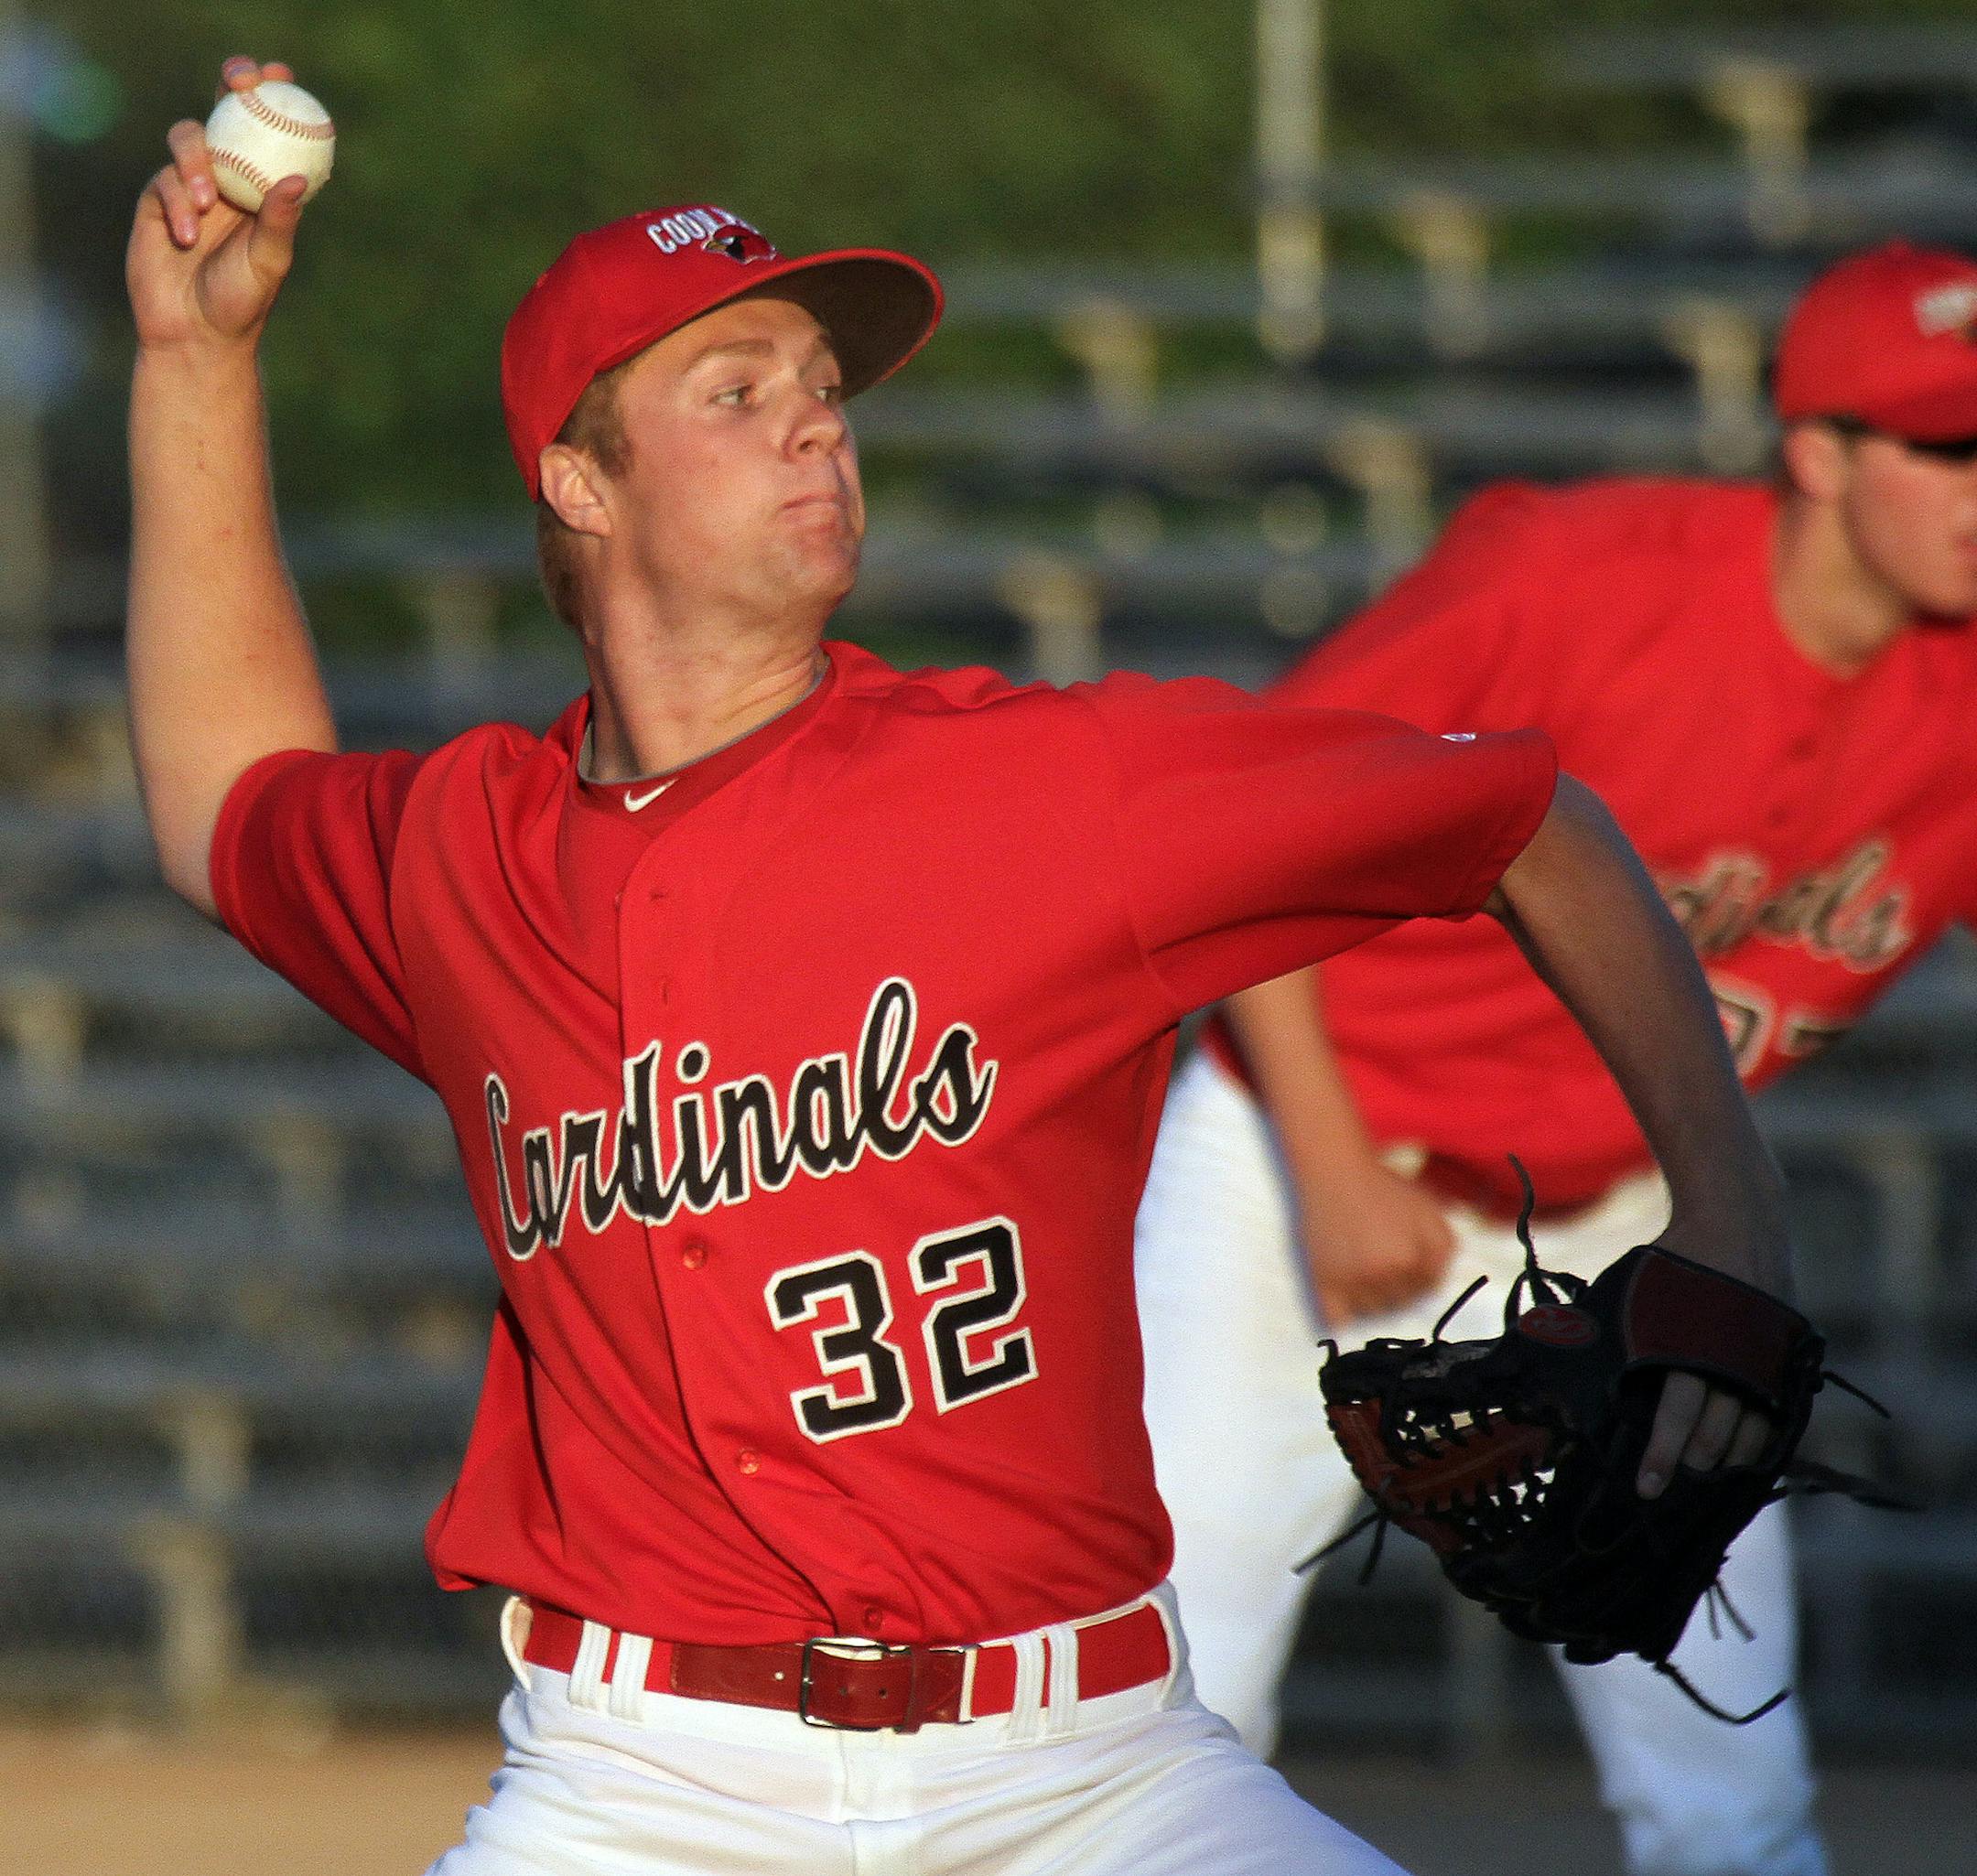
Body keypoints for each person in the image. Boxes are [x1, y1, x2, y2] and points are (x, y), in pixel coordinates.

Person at [128, 56, 1798, 1876]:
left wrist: (1734, 1224)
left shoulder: (1049, 785)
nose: (814, 426)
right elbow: (225, 794)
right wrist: (195, 361)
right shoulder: (464, 855)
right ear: (577, 480)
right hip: (643, 1780)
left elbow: (1528, 820)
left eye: (825, 392)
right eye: (735, 389)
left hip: (1094, 1773)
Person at [1136, 240, 1977, 1876]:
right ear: (1818, 454)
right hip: (1305, 1165)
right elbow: (1261, 829)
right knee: (1171, 1714)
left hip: (1626, 1219)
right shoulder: (1575, 578)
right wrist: (1320, 1165)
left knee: (1732, 1777)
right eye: (1950, 449)